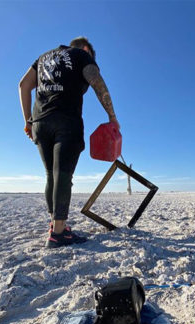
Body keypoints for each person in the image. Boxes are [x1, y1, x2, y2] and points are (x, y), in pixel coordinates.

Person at [18, 36, 119, 248]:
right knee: (63, 175)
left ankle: (55, 224)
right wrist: (112, 116)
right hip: (66, 120)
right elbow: (96, 81)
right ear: (85, 49)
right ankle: (59, 234)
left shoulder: (44, 57)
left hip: (41, 122)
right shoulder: (82, 55)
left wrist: (28, 121)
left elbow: (24, 85)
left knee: (51, 175)